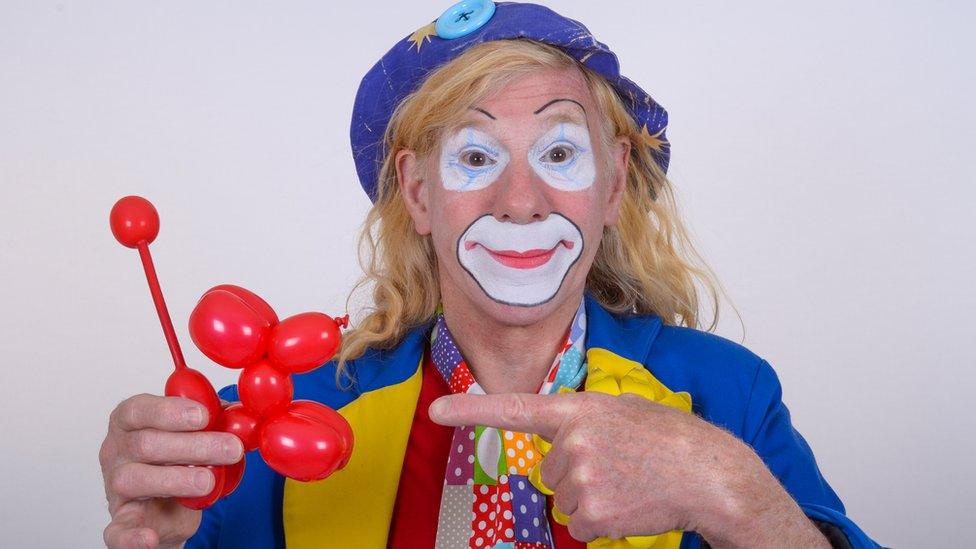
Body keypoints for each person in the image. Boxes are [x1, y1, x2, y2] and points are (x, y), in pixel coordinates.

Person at [99, 2, 883, 548]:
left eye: (560, 153)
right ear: (417, 193)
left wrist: (735, 496)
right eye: (474, 157)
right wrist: (158, 530)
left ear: (610, 190)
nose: (519, 200)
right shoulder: (271, 419)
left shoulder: (729, 396)